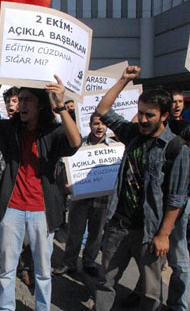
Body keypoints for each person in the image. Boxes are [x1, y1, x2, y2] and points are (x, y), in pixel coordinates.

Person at [0, 76, 81, 311]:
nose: (22, 105)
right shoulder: (10, 130)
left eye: (28, 100)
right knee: (7, 268)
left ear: (40, 105)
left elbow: (76, 141)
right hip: (12, 210)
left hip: (42, 212)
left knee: (42, 270)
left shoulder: (53, 132)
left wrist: (60, 105)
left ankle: (42, 307)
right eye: (20, 100)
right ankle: (6, 307)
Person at [93, 66, 190, 311]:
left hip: (149, 232)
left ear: (164, 116)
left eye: (150, 115)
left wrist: (164, 234)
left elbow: (176, 197)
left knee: (151, 292)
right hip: (119, 225)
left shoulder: (177, 148)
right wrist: (123, 80)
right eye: (140, 113)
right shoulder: (132, 133)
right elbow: (103, 110)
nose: (143, 120)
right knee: (106, 281)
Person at [52, 113, 114, 277]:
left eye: (102, 124)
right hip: (80, 196)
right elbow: (66, 164)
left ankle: (89, 262)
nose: (99, 127)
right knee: (75, 231)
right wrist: (67, 183)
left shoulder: (115, 147)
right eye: (95, 123)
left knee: (96, 233)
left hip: (102, 199)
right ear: (90, 125)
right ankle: (69, 262)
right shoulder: (79, 144)